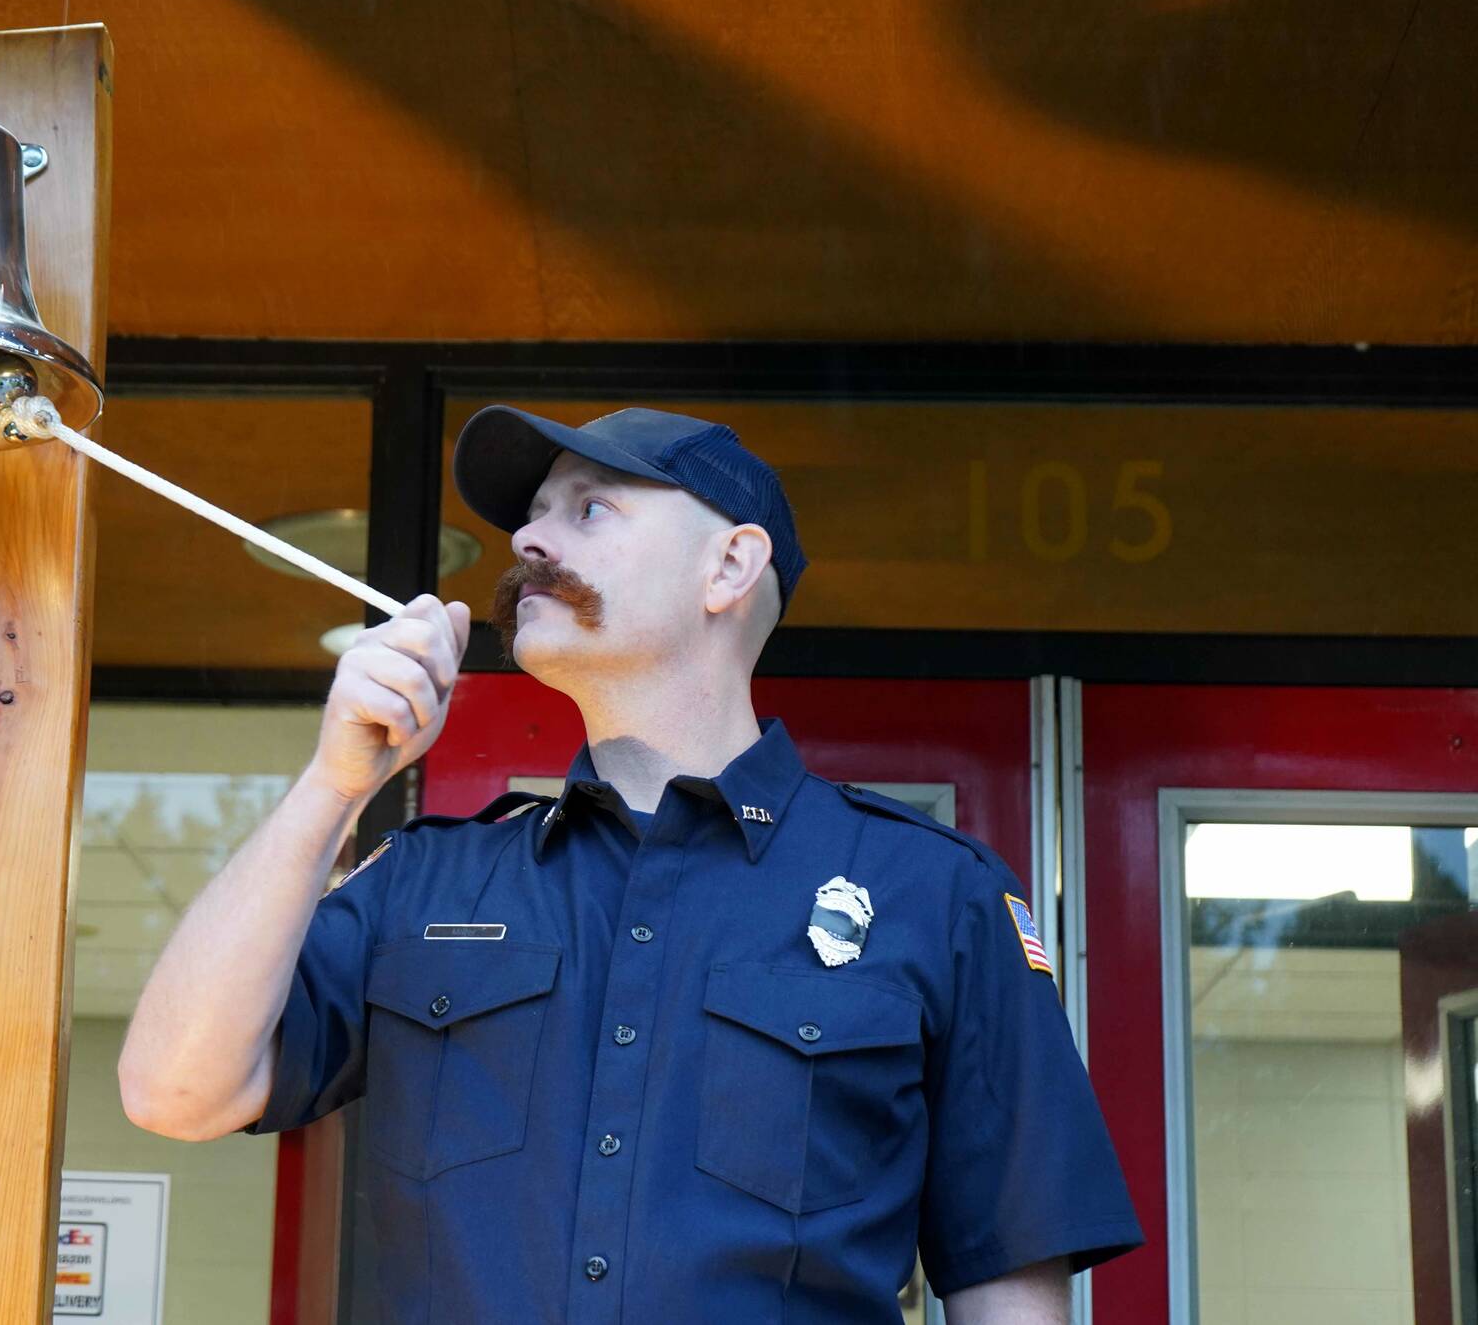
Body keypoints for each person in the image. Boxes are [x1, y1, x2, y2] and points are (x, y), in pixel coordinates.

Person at [119, 405, 1143, 1322]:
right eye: (530, 515)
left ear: (728, 568)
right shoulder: (425, 882)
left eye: (588, 509)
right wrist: (329, 786)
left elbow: (1005, 1290)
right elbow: (174, 1092)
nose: (524, 539)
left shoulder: (939, 895)